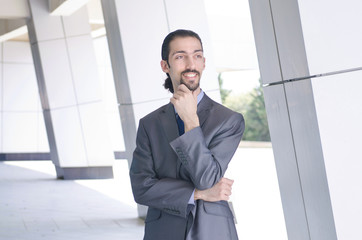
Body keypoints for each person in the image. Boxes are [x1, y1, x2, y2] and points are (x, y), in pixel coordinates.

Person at [130, 29, 245, 240]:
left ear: (203, 62)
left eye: (197, 56)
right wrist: (198, 194)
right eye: (180, 56)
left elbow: (207, 178)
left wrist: (191, 121)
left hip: (213, 229)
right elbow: (141, 188)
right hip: (163, 230)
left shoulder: (228, 120)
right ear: (166, 65)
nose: (191, 64)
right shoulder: (149, 124)